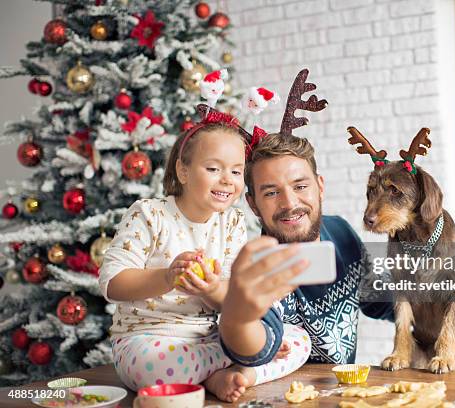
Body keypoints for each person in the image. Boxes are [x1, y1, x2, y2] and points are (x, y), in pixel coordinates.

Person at [219, 133, 455, 366]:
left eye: (300, 186)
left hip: (344, 390)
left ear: (320, 187)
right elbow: (255, 344)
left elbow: (383, 301)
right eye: (271, 192)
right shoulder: (254, 261)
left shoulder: (342, 234)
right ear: (253, 204)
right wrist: (238, 320)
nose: (290, 202)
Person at [98, 115, 311, 403]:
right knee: (157, 367)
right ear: (183, 171)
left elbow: (232, 300)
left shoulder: (231, 222)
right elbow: (112, 283)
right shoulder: (149, 214)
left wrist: (212, 289)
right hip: (148, 340)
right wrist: (167, 277)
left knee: (298, 341)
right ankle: (227, 372)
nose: (227, 180)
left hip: (212, 338)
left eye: (237, 172)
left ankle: (242, 373)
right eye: (213, 168)